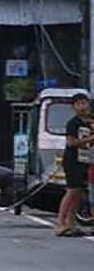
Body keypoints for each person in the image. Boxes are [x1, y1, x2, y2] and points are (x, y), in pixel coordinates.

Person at [56, 93, 94, 236]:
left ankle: (70, 224)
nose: (82, 107)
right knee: (71, 191)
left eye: (84, 103)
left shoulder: (91, 121)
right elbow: (71, 142)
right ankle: (60, 223)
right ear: (73, 107)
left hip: (87, 160)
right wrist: (91, 138)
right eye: (78, 104)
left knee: (79, 193)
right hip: (73, 160)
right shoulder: (73, 123)